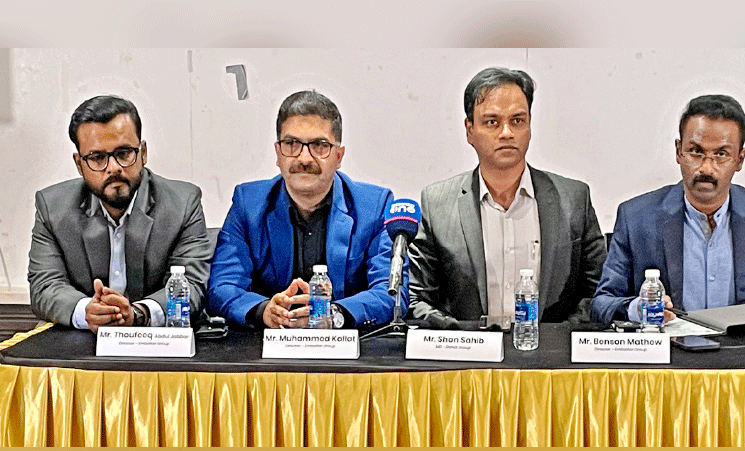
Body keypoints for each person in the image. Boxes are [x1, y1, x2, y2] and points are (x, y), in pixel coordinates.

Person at [591, 94, 745, 348]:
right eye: (696, 152)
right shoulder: (637, 217)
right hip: (668, 364)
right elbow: (602, 304)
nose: (706, 168)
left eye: (721, 154)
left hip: (744, 365)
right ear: (679, 152)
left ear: (739, 159)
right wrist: (638, 308)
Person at [409, 67, 606, 326]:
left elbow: (598, 293)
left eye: (517, 121)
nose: (506, 133)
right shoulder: (437, 204)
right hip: (467, 349)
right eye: (492, 122)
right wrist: (459, 334)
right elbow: (417, 298)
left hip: (550, 349)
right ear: (469, 130)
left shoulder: (573, 199)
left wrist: (556, 337)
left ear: (530, 125)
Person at [207, 90, 406, 330]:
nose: (304, 158)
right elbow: (222, 286)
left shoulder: (375, 206)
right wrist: (264, 311)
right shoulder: (248, 204)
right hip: (268, 345)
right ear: (278, 153)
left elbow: (391, 292)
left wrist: (334, 314)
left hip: (346, 346)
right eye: (291, 144)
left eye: (319, 145)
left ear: (339, 156)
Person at [28, 95, 212, 332]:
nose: (113, 167)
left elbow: (192, 285)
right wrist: (88, 311)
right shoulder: (52, 208)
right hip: (81, 342)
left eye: (124, 153)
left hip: (155, 341)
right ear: (79, 164)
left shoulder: (183, 203)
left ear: (143, 152)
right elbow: (44, 286)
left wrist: (138, 314)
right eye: (97, 158)